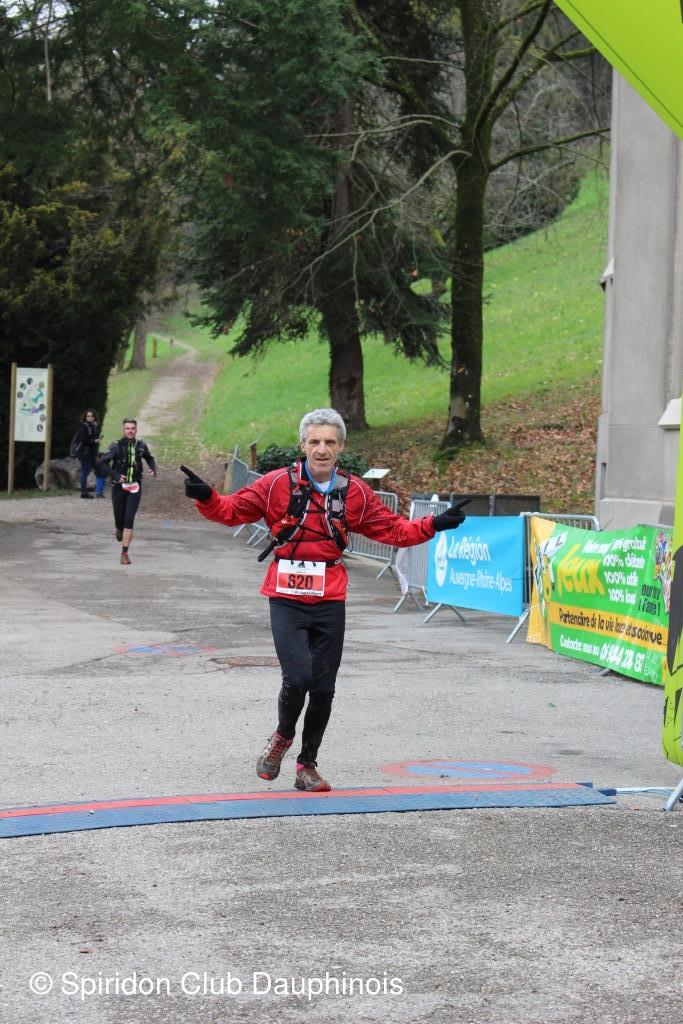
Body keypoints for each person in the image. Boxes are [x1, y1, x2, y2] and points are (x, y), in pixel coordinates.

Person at [180, 407, 467, 792]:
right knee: (297, 677)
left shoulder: (355, 492)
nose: (321, 449)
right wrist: (207, 497)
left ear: (340, 447)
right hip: (286, 596)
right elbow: (232, 511)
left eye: (330, 442)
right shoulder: (275, 484)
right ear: (302, 445)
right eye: (314, 441)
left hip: (330, 597)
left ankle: (307, 765)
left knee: (324, 687)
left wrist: (433, 524)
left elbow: (393, 529)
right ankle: (282, 738)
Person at [99, 418, 156, 565]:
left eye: (133, 428)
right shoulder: (116, 446)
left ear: (136, 430)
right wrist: (115, 475)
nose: (130, 431)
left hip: (135, 487)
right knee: (120, 520)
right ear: (123, 430)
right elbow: (103, 463)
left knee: (129, 520)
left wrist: (152, 468)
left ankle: (124, 553)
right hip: (119, 488)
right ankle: (119, 529)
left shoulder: (141, 446)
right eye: (127, 428)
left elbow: (149, 458)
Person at [74, 409, 103, 499]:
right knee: (85, 471)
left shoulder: (93, 426)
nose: (90, 418)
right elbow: (83, 439)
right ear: (85, 417)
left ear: (94, 417)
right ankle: (84, 492)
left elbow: (94, 437)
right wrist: (94, 441)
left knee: (98, 469)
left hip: (91, 453)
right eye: (88, 416)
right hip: (85, 453)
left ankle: (98, 492)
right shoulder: (84, 426)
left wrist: (96, 435)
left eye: (92, 416)